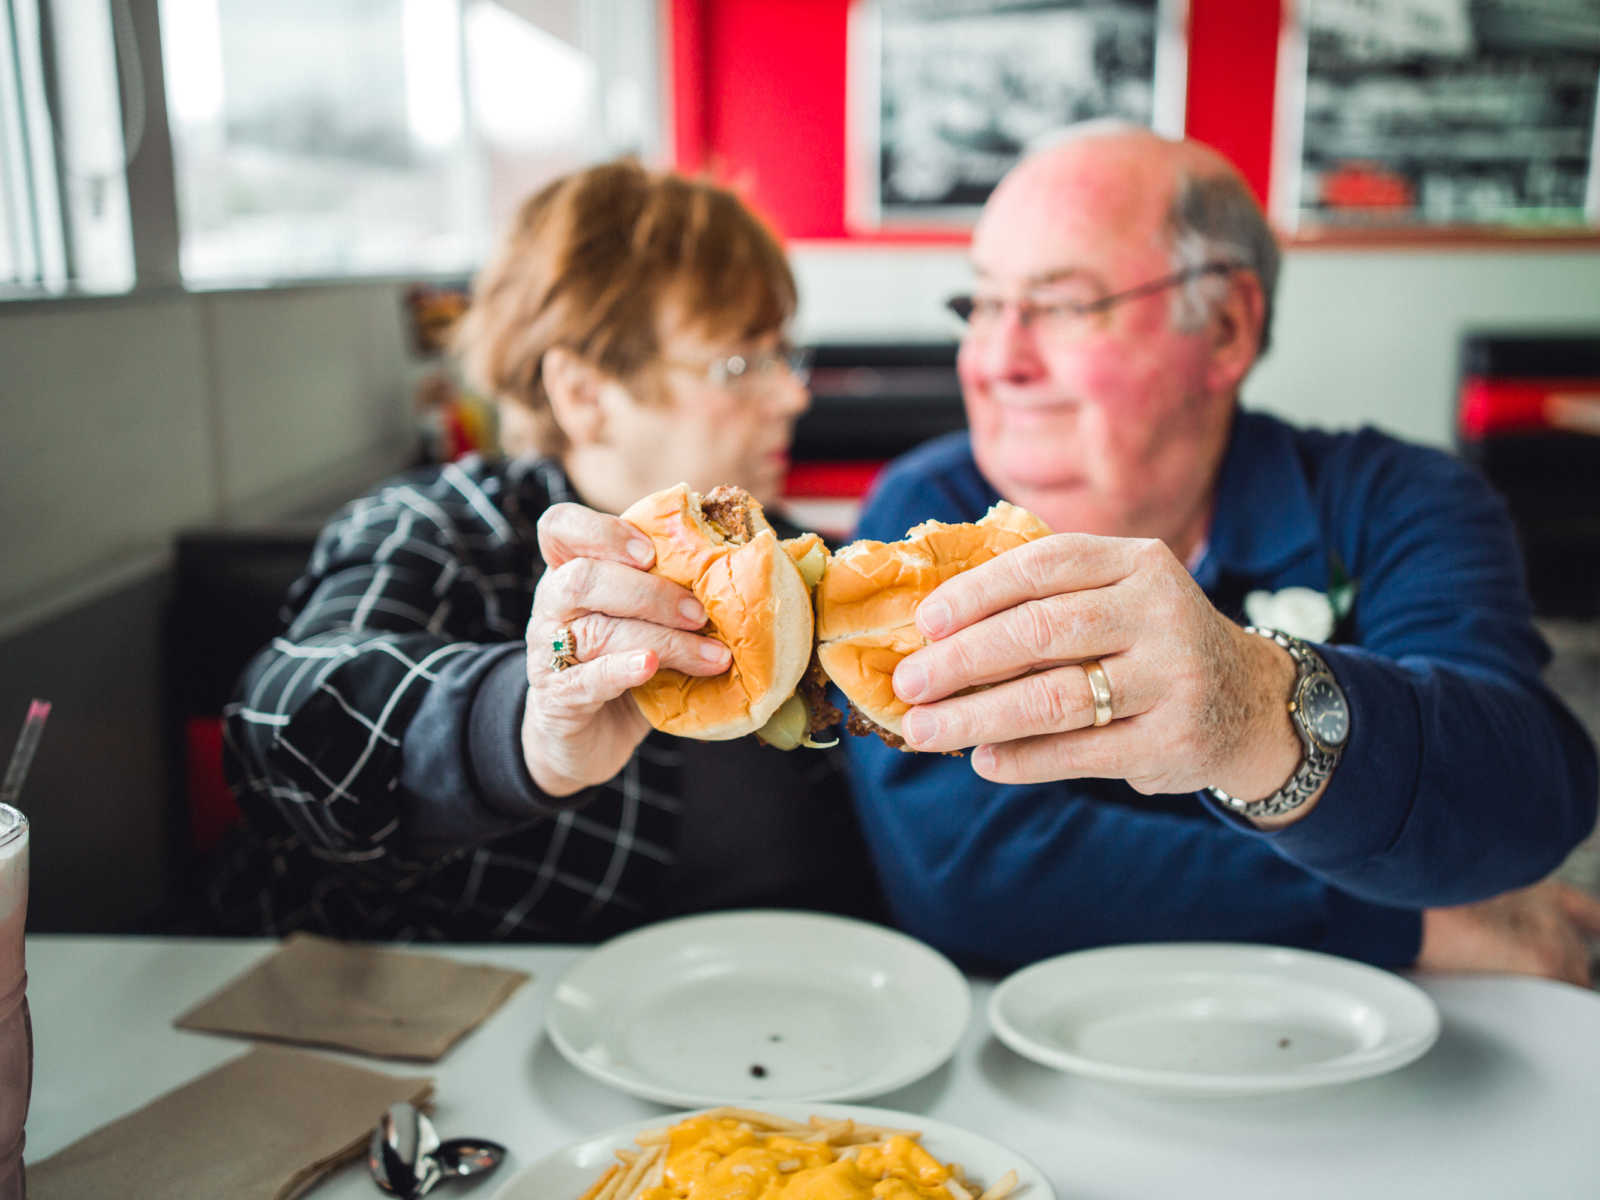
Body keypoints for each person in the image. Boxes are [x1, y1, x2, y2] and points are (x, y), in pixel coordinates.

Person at [843, 124, 1600, 979]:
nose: (995, 360)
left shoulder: (1399, 501)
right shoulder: (922, 518)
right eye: (981, 305)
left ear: (1229, 328)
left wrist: (1256, 706)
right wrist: (1406, 922)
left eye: (1060, 306)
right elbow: (971, 875)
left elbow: (1518, 804)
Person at [211, 159, 882, 940]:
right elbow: (284, 725)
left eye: (783, 354)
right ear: (584, 394)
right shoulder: (443, 530)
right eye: (741, 363)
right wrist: (522, 731)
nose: (793, 394)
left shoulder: (809, 569)